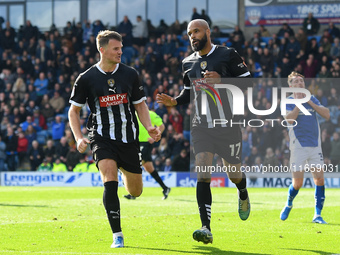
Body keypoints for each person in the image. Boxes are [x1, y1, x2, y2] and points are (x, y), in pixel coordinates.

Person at [156, 19, 251, 244]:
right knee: (203, 173)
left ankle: (243, 191)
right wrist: (175, 101)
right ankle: (205, 227)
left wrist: (223, 80)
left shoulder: (228, 54)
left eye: (196, 31)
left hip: (228, 125)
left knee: (234, 175)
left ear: (208, 32)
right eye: (189, 33)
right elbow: (188, 92)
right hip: (201, 126)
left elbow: (249, 85)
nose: (192, 36)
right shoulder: (187, 62)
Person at [68, 30, 161, 248]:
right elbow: (73, 111)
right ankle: (117, 235)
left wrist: (149, 127)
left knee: (135, 191)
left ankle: (125, 169)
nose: (121, 52)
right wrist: (79, 137)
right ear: (102, 50)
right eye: (116, 48)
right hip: (101, 137)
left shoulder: (130, 74)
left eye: (121, 48)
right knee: (109, 180)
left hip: (128, 139)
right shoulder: (86, 78)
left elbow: (140, 104)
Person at [280, 71, 330, 224]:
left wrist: (310, 102)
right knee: (298, 183)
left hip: (315, 146)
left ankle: (317, 215)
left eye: (301, 81)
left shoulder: (312, 99)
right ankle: (289, 203)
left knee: (319, 180)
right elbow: (289, 119)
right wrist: (299, 103)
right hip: (298, 146)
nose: (299, 84)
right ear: (290, 86)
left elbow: (327, 114)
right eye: (296, 82)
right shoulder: (287, 101)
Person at [124, 110, 170, 200]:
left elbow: (162, 126)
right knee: (149, 167)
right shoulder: (133, 114)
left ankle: (133, 192)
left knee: (135, 164)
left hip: (146, 142)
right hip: (136, 142)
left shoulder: (150, 114)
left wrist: (154, 137)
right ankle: (165, 188)